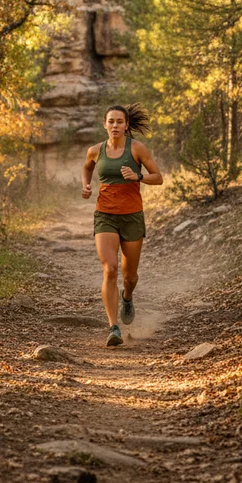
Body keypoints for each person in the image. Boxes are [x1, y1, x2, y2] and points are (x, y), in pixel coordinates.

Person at [81, 103, 163, 346]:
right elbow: (87, 169)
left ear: (126, 125)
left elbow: (158, 178)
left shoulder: (137, 148)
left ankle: (127, 297)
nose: (115, 125)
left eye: (119, 121)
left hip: (132, 216)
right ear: (105, 124)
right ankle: (113, 327)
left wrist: (138, 176)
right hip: (105, 215)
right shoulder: (95, 150)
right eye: (111, 121)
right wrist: (86, 185)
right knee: (110, 269)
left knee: (129, 277)